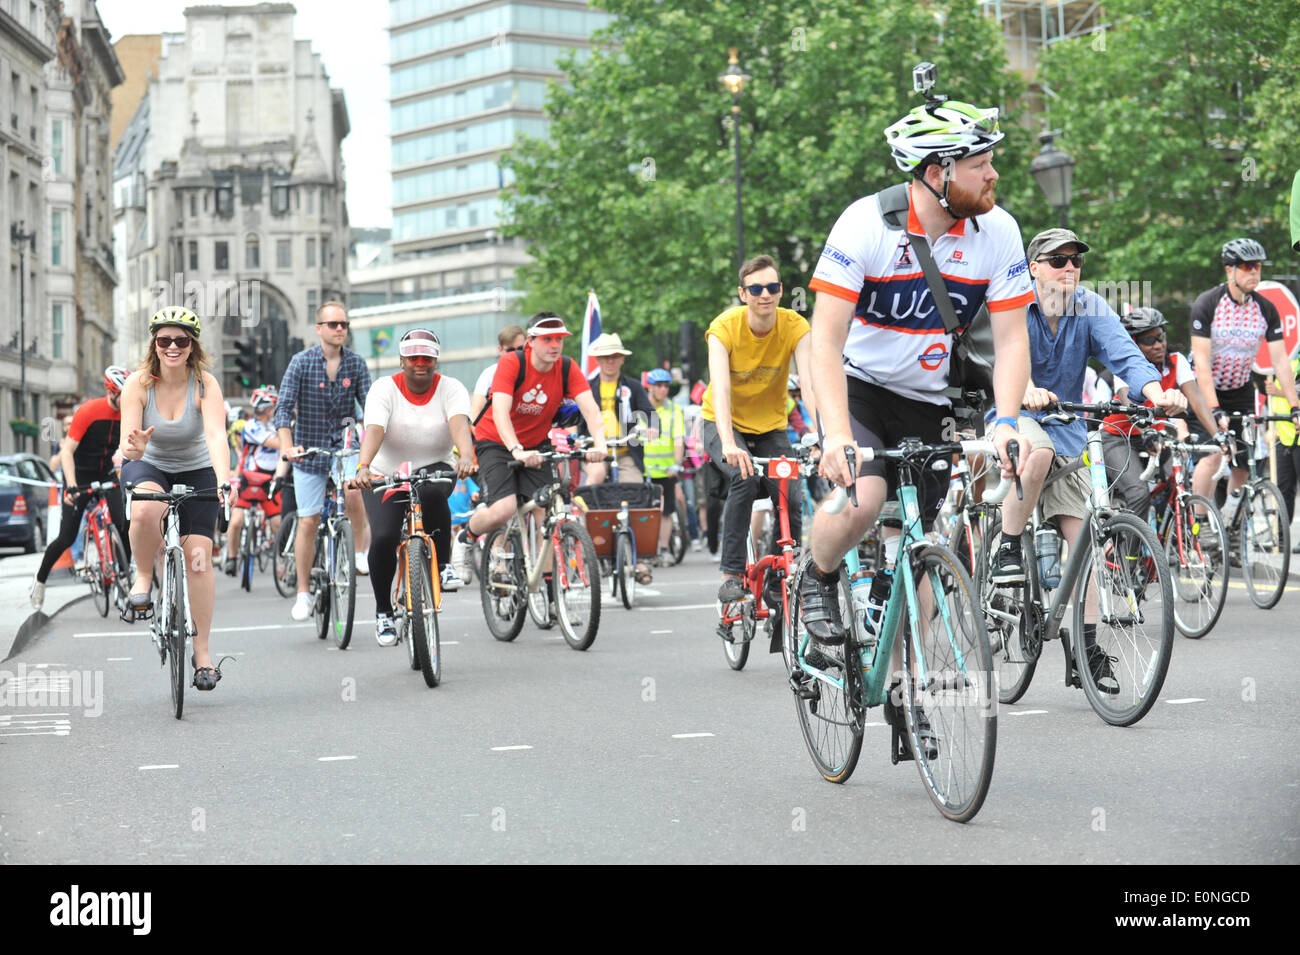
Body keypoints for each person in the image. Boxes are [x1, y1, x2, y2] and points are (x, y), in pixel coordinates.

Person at [800, 92, 1034, 663]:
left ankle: (909, 680)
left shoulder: (999, 230)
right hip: (860, 388)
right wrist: (835, 436)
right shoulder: (865, 224)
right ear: (937, 174)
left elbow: (1010, 340)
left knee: (925, 535)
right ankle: (818, 574)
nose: (993, 174)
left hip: (933, 398)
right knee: (863, 497)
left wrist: (1006, 421)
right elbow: (823, 342)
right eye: (980, 165)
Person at [117, 307, 232, 691]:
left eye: (181, 341)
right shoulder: (137, 384)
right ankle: (144, 577)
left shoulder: (205, 384)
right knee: (147, 507)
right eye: (164, 340)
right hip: (148, 465)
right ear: (154, 343)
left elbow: (216, 436)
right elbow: (127, 448)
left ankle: (202, 656)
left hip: (197, 469)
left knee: (198, 559)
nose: (172, 347)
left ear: (192, 346)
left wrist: (223, 480)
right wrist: (138, 446)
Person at [449, 313, 607, 581]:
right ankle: (467, 536)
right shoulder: (511, 363)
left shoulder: (567, 368)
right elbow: (500, 412)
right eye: (547, 339)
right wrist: (515, 450)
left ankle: (548, 591)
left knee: (545, 515)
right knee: (504, 508)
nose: (554, 345)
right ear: (531, 341)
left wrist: (600, 447)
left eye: (559, 339)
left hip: (536, 443)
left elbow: (591, 411)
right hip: (496, 442)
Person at [702, 254, 817, 605]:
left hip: (769, 426)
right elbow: (720, 391)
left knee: (791, 492)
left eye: (772, 287)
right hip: (722, 422)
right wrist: (728, 443)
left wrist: (822, 435)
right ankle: (731, 575)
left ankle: (780, 573)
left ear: (781, 291)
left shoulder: (795, 325)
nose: (764, 294)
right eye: (756, 288)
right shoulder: (724, 328)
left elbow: (811, 385)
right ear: (743, 293)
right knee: (745, 477)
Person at [353, 329, 475, 647]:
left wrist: (468, 458)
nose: (420, 364)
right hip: (385, 473)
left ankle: (445, 565)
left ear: (435, 360)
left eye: (427, 358)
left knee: (432, 492)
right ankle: (383, 613)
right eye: (413, 358)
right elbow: (375, 430)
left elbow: (460, 424)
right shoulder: (383, 389)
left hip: (435, 466)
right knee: (383, 537)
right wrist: (363, 467)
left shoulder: (451, 388)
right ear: (402, 360)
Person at [274, 301, 373, 622]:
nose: (340, 329)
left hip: (345, 444)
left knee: (354, 490)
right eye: (333, 324)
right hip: (309, 449)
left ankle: (358, 551)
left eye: (344, 324)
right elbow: (284, 408)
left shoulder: (356, 364)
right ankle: (303, 592)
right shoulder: (301, 363)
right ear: (319, 329)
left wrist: (374, 449)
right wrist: (288, 447)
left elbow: (371, 411)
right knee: (308, 520)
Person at [1189, 238, 1300, 508]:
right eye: (1247, 266)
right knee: (1214, 453)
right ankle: (1200, 520)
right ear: (1230, 270)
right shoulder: (1208, 303)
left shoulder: (1265, 308)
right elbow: (1201, 363)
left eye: (1258, 267)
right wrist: (1214, 409)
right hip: (1205, 389)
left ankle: (1230, 524)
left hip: (1240, 388)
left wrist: (1295, 407)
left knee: (1244, 462)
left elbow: (1281, 362)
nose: (1254, 272)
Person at [1101, 307, 1222, 521]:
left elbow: (1197, 400)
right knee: (1139, 493)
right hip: (1119, 437)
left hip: (1156, 435)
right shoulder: (1125, 366)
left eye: (1160, 337)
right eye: (1149, 340)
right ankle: (1132, 555)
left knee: (1178, 483)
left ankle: (1168, 546)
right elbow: (1131, 405)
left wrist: (1218, 435)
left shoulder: (1177, 361)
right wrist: (1147, 431)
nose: (1158, 345)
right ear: (1134, 343)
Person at [30, 366, 132, 610]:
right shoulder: (89, 410)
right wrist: (72, 486)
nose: (128, 399)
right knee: (67, 535)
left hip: (106, 472)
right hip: (79, 475)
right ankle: (40, 581)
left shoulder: (129, 412)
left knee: (124, 524)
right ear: (111, 391)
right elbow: (66, 452)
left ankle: (125, 578)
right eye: (123, 394)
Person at [224, 387, 285, 575]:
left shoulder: (278, 425)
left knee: (278, 523)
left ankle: (282, 562)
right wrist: (289, 440)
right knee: (236, 521)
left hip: (271, 479)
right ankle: (232, 558)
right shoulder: (251, 426)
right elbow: (275, 443)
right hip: (250, 478)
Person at [580, 332, 653, 483]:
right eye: (606, 357)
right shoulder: (586, 388)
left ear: (622, 359)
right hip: (595, 452)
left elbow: (650, 412)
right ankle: (583, 505)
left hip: (626, 452)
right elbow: (576, 417)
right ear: (598, 359)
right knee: (596, 474)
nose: (610, 361)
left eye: (615, 356)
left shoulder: (633, 386)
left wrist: (653, 427)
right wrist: (576, 439)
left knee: (634, 487)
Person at [643, 367, 685, 559]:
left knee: (666, 512)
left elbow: (678, 440)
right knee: (646, 513)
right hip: (644, 471)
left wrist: (677, 464)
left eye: (666, 386)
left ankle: (665, 549)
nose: (663, 390)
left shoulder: (674, 410)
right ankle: (647, 550)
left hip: (667, 471)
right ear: (650, 387)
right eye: (659, 386)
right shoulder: (640, 408)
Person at [1263, 352, 1300, 548]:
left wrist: (1280, 391)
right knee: (1282, 489)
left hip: (1297, 432)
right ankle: (1280, 538)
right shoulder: (1279, 361)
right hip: (1283, 435)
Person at [469, 324, 527, 425]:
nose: (516, 354)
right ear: (500, 350)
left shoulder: (538, 370)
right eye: (510, 350)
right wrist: (480, 438)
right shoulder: (490, 373)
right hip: (495, 436)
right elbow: (476, 410)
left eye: (520, 349)